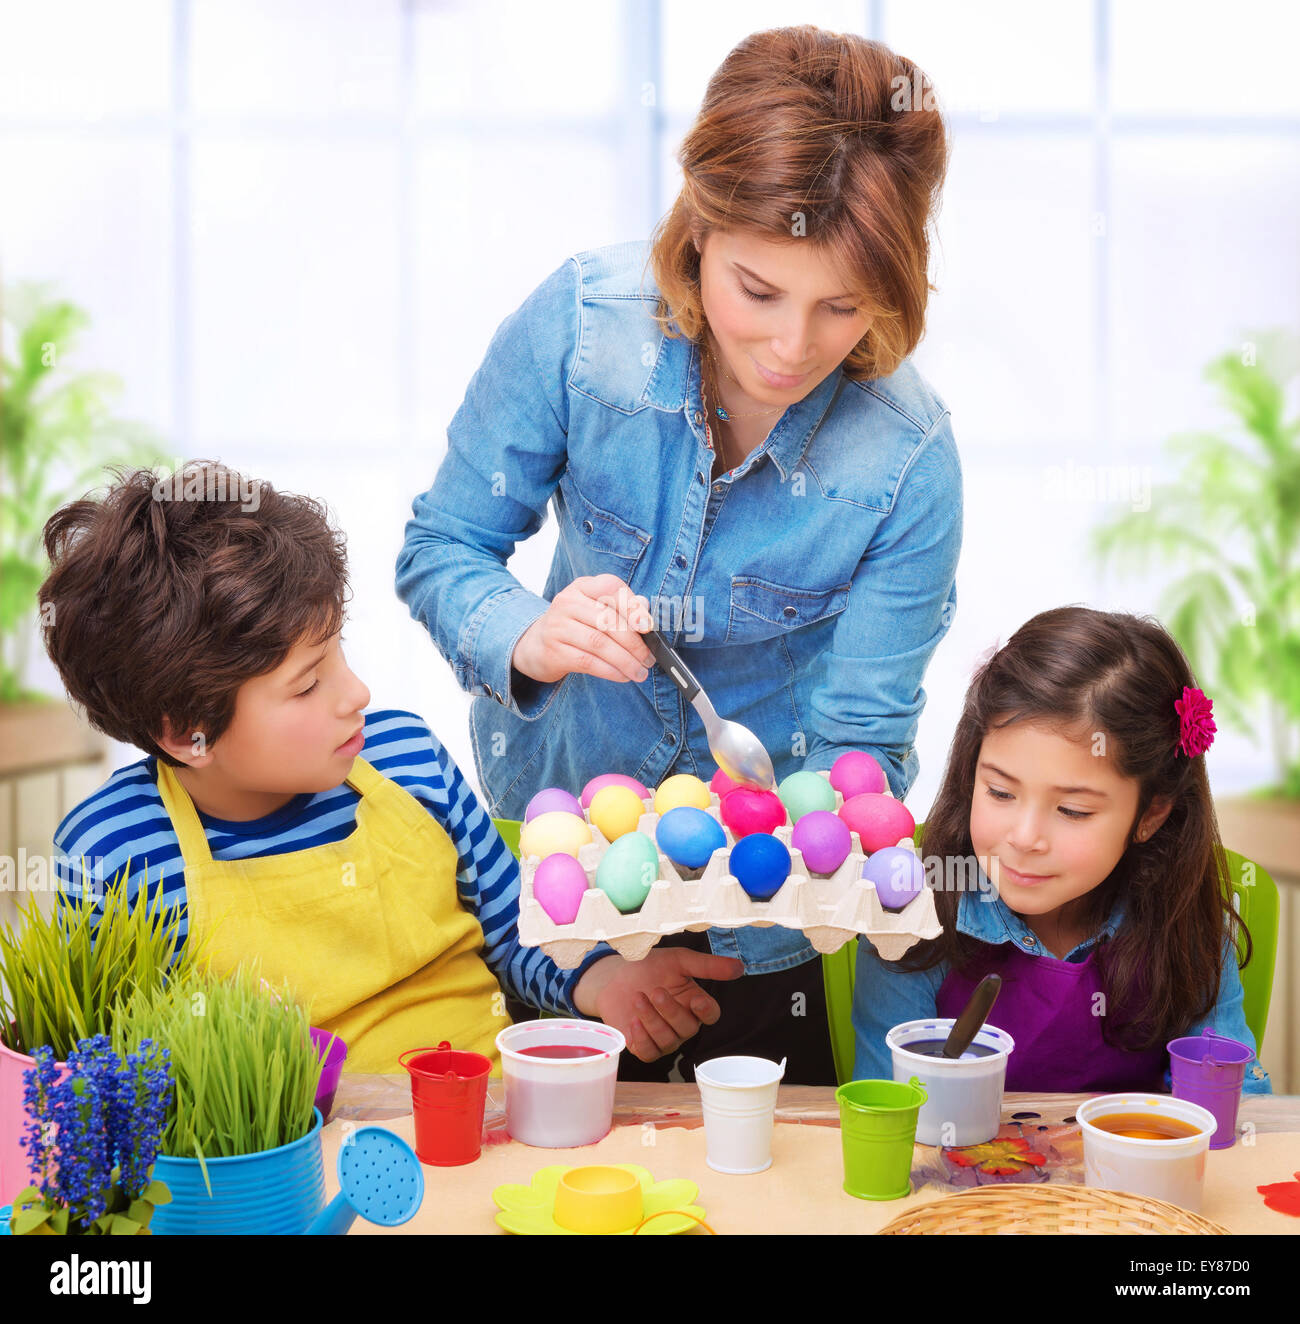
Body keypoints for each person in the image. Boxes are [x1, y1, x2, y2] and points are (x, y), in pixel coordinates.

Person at [396, 28, 957, 1082]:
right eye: (759, 290)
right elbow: (443, 546)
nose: (791, 348)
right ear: (697, 228)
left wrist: (793, 854)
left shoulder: (906, 461)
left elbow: (862, 753)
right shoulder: (583, 329)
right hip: (557, 912)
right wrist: (531, 635)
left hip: (758, 946)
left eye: (841, 306)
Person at [38, 462, 741, 1074]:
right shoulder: (115, 853)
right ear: (186, 732)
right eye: (308, 684)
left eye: (337, 652)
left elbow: (515, 929)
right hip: (284, 1179)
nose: (357, 696)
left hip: (485, 1126)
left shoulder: (405, 759)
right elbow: (104, 1075)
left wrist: (601, 979)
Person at [852, 606, 1272, 1095]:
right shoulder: (910, 913)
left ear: (1151, 815)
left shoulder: (1189, 932)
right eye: (1001, 793)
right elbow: (889, 1114)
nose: (1025, 837)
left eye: (1072, 810)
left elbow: (1232, 1117)